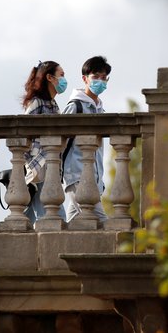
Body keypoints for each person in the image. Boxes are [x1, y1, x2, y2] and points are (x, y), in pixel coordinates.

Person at [61, 55, 111, 223]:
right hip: (76, 175)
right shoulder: (76, 106)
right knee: (102, 221)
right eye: (95, 77)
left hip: (94, 178)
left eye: (104, 78)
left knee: (73, 220)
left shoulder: (99, 109)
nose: (100, 81)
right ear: (85, 78)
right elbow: (60, 139)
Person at [22, 60, 68, 224]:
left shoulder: (52, 104)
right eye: (61, 75)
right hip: (39, 166)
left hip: (50, 165)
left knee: (36, 216)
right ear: (50, 77)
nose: (64, 80)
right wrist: (30, 163)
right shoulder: (37, 103)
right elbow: (23, 133)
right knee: (53, 217)